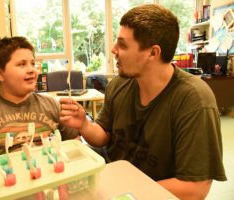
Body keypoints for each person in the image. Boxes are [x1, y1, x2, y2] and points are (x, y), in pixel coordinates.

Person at [60, 4, 226, 200]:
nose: (114, 50)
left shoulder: (193, 100)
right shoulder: (119, 84)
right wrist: (84, 125)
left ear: (152, 53)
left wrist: (122, 190)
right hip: (111, 183)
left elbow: (194, 190)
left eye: (123, 45)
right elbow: (104, 136)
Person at [0, 36, 79, 190]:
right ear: (0, 73)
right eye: (22, 64)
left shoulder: (53, 106)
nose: (32, 69)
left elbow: (77, 150)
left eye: (33, 63)